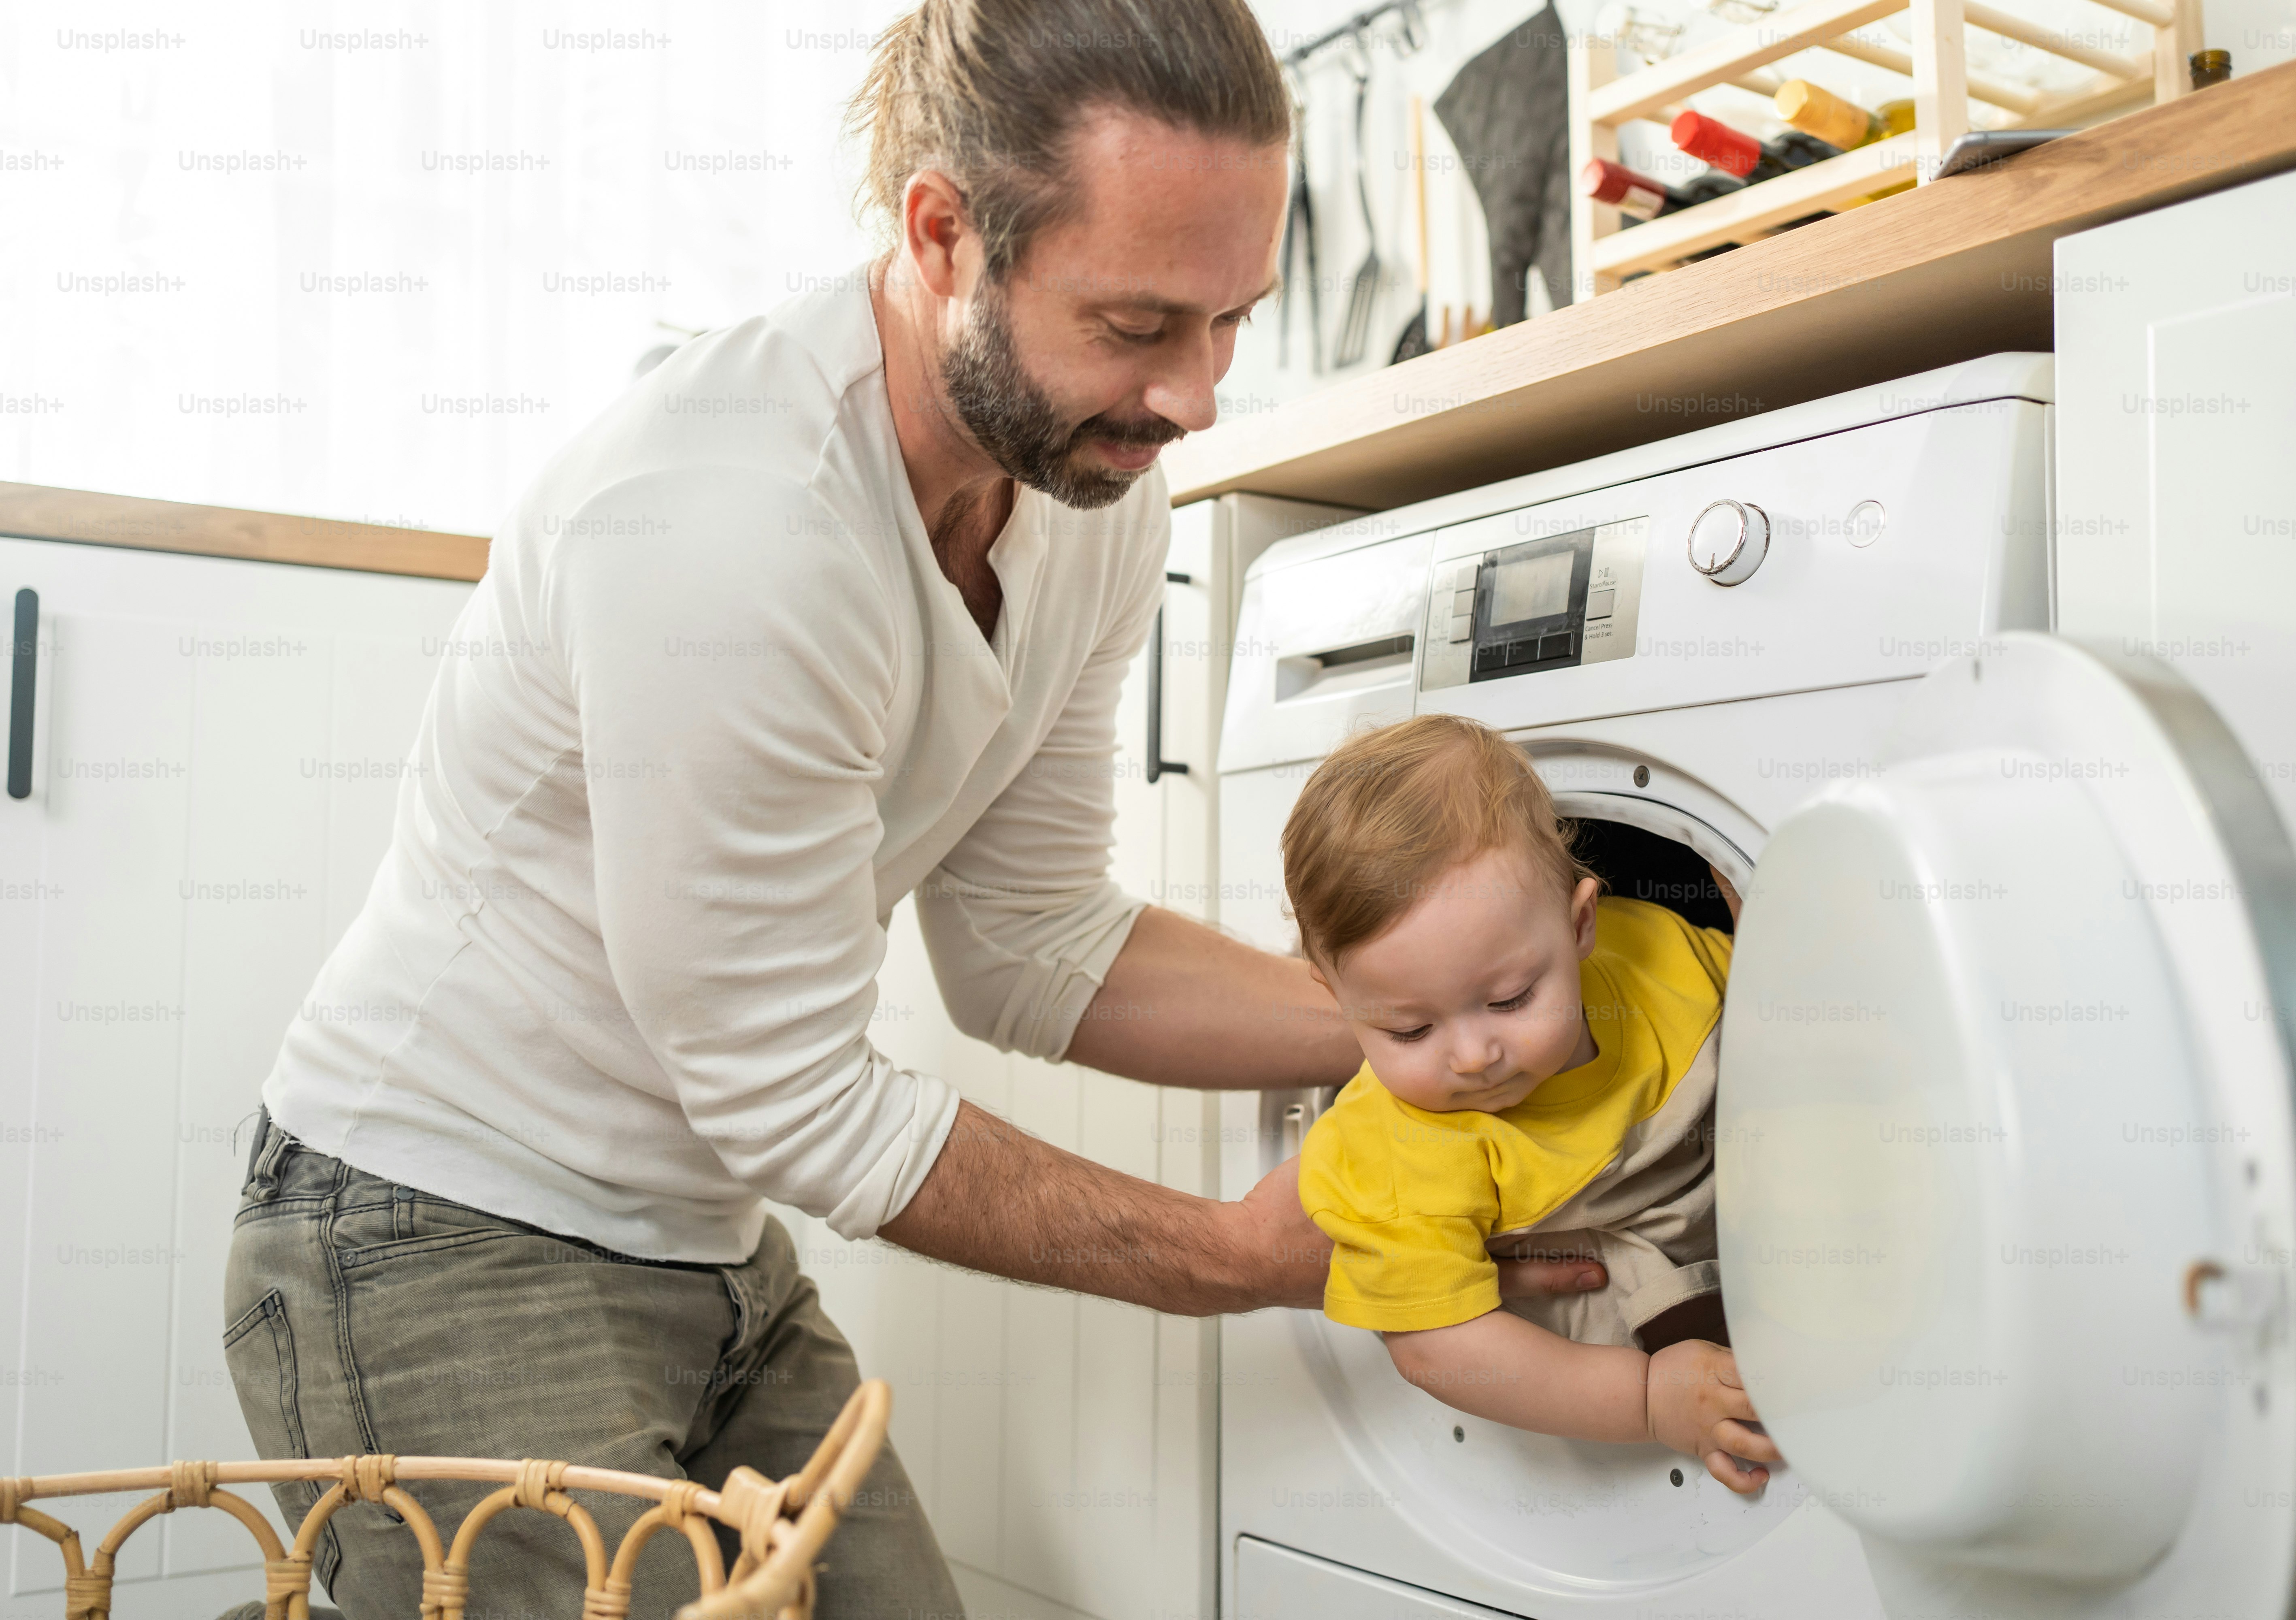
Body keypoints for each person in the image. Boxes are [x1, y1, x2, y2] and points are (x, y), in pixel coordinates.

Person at [217, 4, 1603, 1617]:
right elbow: (791, 1095)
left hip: (705, 1245)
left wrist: (1442, 1026)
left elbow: (1032, 944)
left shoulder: (1090, 493)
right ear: (944, 232)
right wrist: (1241, 1253)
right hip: (431, 1229)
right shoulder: (733, 529)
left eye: (1231, 320)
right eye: (1140, 322)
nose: (1196, 400)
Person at [1286, 715, 1783, 1491]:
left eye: (1513, 999)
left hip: (1770, 1198)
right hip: (1620, 1335)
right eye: (1410, 1029)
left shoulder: (1656, 955)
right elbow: (1434, 1345)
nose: (1474, 1056)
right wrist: (1648, 1400)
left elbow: (1786, 997)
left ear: (1581, 924)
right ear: (1337, 997)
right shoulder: (1382, 1153)